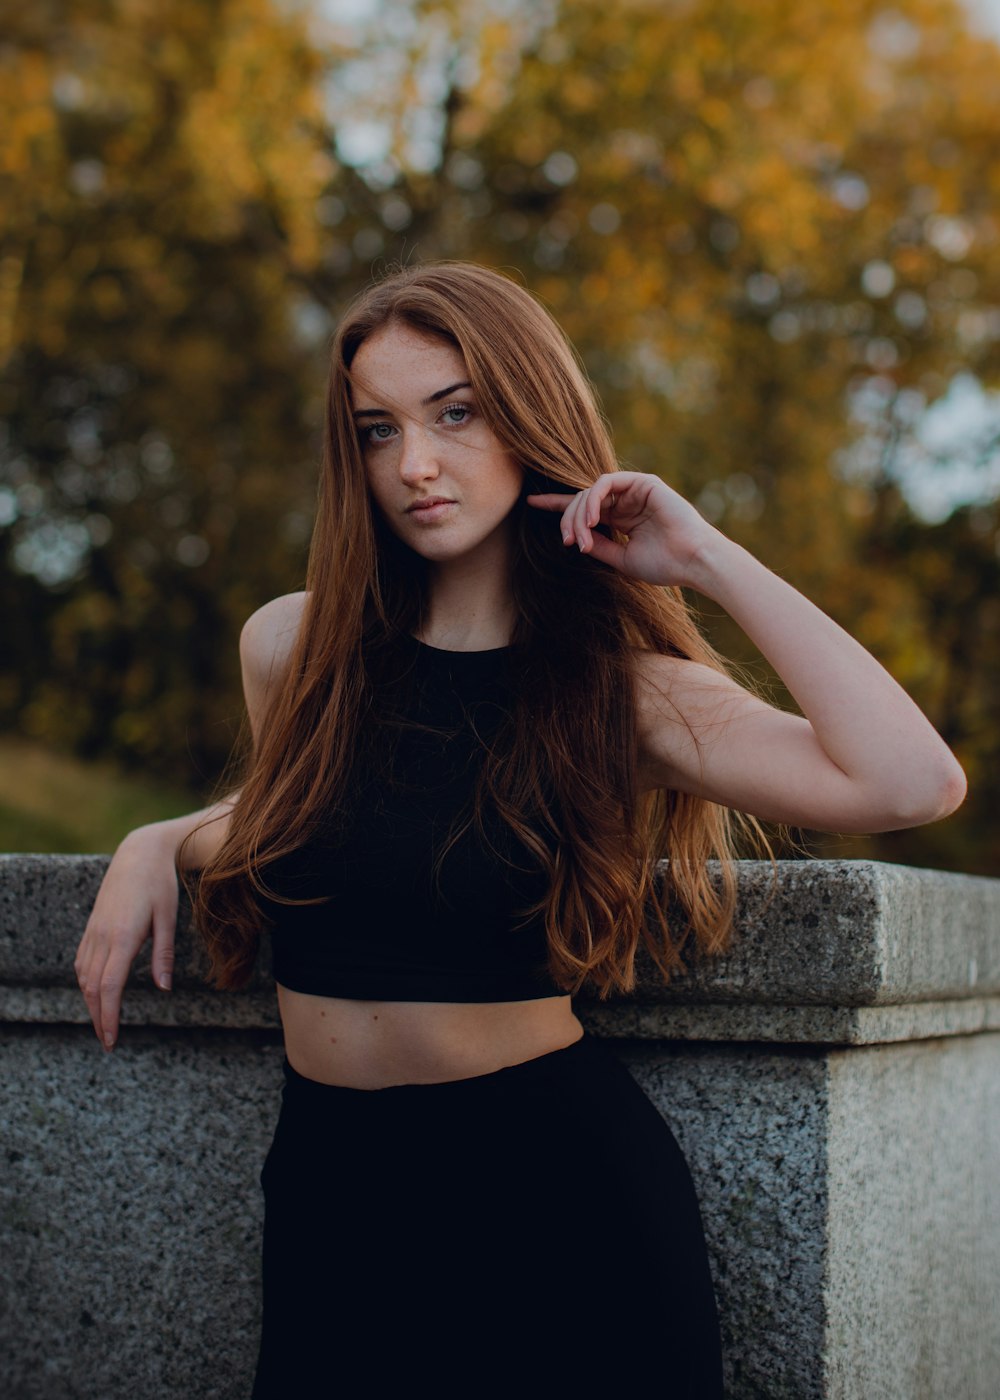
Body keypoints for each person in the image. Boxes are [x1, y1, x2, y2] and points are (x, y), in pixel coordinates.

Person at [74, 261, 966, 1396]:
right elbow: (328, 816)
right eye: (376, 429)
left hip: (551, 1196)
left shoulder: (619, 689)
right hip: (330, 1194)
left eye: (456, 412)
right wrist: (156, 839)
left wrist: (704, 558)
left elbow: (909, 781)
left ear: (528, 416)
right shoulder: (290, 649)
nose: (416, 463)